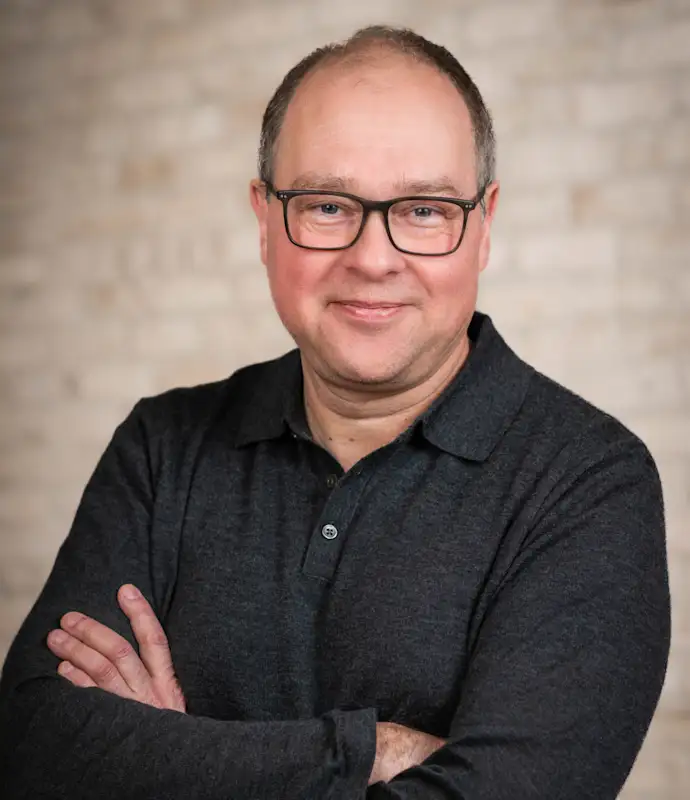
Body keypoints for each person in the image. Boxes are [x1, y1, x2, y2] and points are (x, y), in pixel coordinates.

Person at [0, 25, 670, 800]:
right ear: (263, 217)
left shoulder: (589, 482)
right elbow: (30, 749)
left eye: (423, 210)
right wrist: (365, 751)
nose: (373, 257)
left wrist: (170, 755)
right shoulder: (161, 446)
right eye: (325, 204)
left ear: (484, 226)